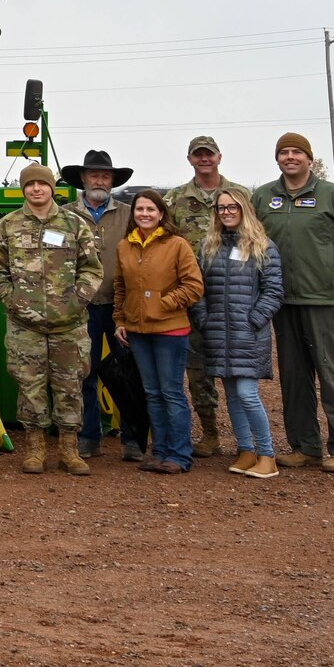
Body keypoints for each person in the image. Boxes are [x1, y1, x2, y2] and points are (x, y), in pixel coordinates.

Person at [253, 132, 334, 473]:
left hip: (325, 303)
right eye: (284, 152)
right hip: (283, 302)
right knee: (294, 376)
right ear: (277, 159)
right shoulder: (264, 197)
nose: (290, 157)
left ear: (309, 158)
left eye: (296, 152)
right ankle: (304, 446)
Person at [0, 163, 102, 476]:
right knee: (30, 387)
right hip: (26, 326)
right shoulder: (7, 226)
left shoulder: (75, 224)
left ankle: (69, 449)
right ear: (24, 189)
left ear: (52, 188)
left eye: (42, 184)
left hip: (69, 325)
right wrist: (13, 302)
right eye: (30, 185)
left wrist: (76, 302)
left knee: (69, 387)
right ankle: (35, 449)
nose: (36, 189)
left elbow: (92, 269)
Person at [166, 135, 251, 456]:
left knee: (239, 369)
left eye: (209, 154)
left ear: (219, 157)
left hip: (233, 297)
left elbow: (257, 239)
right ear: (190, 159)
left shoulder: (241, 195)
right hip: (192, 298)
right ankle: (211, 432)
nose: (204, 159)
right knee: (198, 370)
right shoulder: (175, 199)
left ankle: (247, 440)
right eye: (197, 155)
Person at [191, 189, 284, 479]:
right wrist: (204, 319)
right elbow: (198, 290)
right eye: (221, 208)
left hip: (248, 335)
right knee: (231, 394)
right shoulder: (209, 246)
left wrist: (254, 320)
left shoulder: (263, 246)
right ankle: (246, 451)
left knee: (247, 393)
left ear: (244, 208)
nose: (226, 212)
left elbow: (274, 290)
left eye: (232, 207)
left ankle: (267, 455)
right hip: (218, 333)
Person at [113, 189, 205, 474]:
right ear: (134, 213)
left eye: (150, 209)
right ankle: (160, 452)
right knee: (152, 393)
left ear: (161, 213)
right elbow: (120, 287)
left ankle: (179, 455)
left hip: (170, 330)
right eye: (140, 209)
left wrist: (163, 304)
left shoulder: (177, 245)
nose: (144, 214)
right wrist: (120, 319)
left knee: (171, 392)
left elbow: (194, 286)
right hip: (137, 331)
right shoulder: (125, 246)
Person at [60, 150, 136, 461]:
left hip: (120, 306)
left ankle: (133, 439)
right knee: (84, 373)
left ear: (113, 181)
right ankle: (89, 436)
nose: (100, 180)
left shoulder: (130, 214)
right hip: (82, 306)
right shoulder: (64, 214)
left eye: (105, 176)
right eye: (94, 175)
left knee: (129, 373)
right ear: (82, 178)